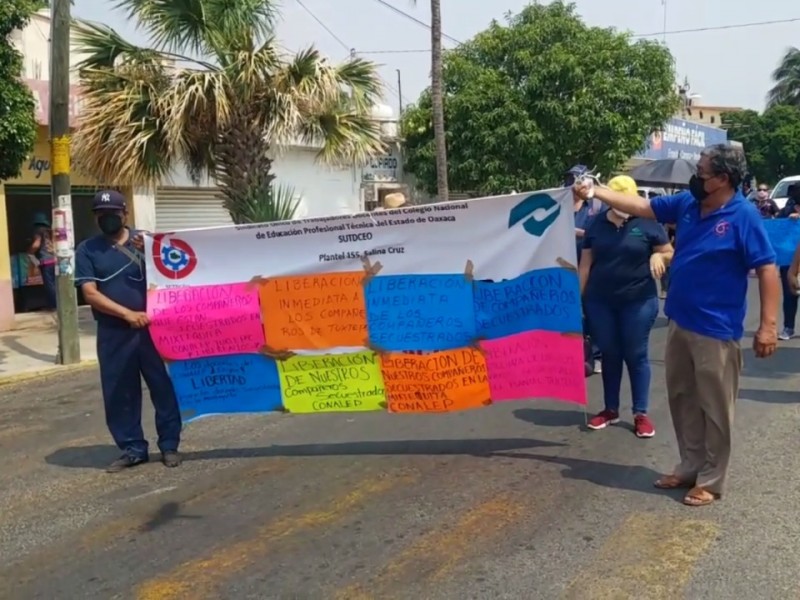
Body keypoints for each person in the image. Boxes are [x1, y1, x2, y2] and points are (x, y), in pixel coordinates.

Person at [575, 144, 779, 507]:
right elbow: (639, 206)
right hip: (680, 322)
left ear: (722, 179)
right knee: (683, 400)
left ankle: (712, 481)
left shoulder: (743, 215)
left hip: (717, 330)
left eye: (701, 172)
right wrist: (595, 189)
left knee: (714, 408)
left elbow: (765, 268)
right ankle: (689, 466)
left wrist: (767, 326)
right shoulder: (686, 204)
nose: (695, 177)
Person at [75, 190, 182, 473]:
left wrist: (150, 250)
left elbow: (178, 272)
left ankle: (169, 445)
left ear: (125, 214)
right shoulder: (87, 249)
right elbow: (90, 293)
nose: (107, 219)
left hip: (155, 330)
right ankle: (132, 448)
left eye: (113, 214)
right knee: (119, 391)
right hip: (114, 332)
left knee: (164, 387)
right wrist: (127, 314)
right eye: (101, 215)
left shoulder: (148, 242)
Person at [579, 176, 673, 438]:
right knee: (609, 353)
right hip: (600, 300)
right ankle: (610, 410)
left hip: (638, 300)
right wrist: (579, 300)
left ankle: (640, 413)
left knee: (636, 353)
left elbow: (669, 251)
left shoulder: (647, 222)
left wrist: (658, 255)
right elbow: (586, 264)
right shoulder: (596, 223)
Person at [565, 164, 602, 373]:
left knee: (590, 312)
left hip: (589, 268)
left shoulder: (595, 207)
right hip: (563, 268)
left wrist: (579, 233)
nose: (572, 185)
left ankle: (595, 355)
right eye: (570, 180)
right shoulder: (558, 206)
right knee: (568, 314)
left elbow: (599, 233)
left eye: (576, 180)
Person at [777, 184, 800, 339]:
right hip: (789, 259)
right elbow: (777, 228)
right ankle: (788, 327)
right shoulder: (787, 208)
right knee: (790, 294)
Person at [27, 212, 57, 310]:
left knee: (49, 285)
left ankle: (53, 306)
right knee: (56, 284)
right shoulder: (51, 231)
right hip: (55, 260)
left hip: (46, 262)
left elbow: (36, 245)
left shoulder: (38, 231)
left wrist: (30, 252)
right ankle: (59, 304)